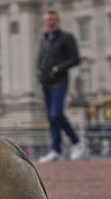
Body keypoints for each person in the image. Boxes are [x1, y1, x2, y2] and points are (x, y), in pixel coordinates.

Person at [36, 10, 87, 163]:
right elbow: (40, 59)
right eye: (47, 20)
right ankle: (56, 150)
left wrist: (59, 68)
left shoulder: (66, 38)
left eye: (53, 19)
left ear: (57, 21)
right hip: (46, 83)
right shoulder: (44, 40)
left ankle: (77, 142)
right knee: (51, 118)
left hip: (60, 81)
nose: (50, 22)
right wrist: (39, 72)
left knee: (56, 114)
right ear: (44, 23)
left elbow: (75, 59)